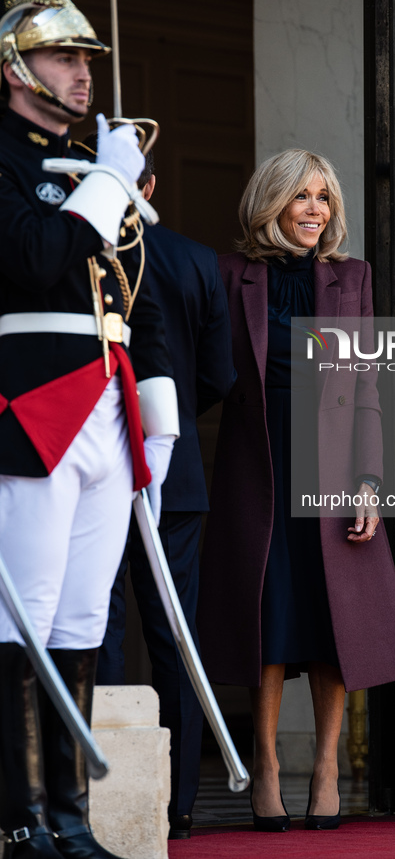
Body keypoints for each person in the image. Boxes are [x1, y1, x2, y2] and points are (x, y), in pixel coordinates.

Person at [0, 0, 178, 857]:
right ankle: (21, 817)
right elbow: (34, 261)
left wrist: (159, 418)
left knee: (81, 620)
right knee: (24, 615)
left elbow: (133, 295)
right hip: (32, 401)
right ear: (13, 64)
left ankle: (71, 818)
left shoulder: (95, 162)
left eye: (84, 58)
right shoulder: (2, 156)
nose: (81, 73)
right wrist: (106, 185)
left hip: (107, 404)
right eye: (64, 56)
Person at [196, 148, 395, 832]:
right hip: (256, 464)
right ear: (272, 202)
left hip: (331, 469)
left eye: (323, 198)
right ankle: (263, 766)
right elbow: (207, 370)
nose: (315, 210)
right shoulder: (228, 274)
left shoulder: (350, 278)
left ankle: (327, 768)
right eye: (302, 197)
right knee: (268, 618)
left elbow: (365, 391)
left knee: (332, 622)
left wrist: (369, 480)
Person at [95, 151, 236, 840]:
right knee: (173, 634)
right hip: (173, 473)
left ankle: (109, 791)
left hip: (89, 465)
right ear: (151, 188)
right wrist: (166, 431)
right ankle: (177, 802)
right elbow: (216, 374)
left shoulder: (80, 250)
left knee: (99, 626)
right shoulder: (194, 258)